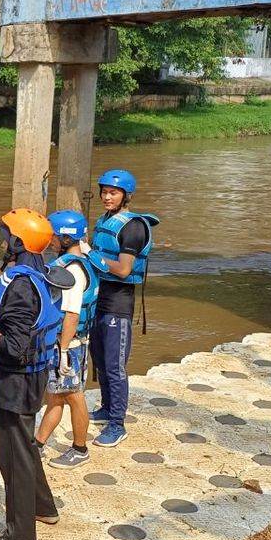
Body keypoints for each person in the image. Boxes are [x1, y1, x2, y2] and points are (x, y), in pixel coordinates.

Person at [0, 209, 71, 540]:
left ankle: (20, 535)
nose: (1, 241)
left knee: (14, 455)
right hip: (32, 375)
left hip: (18, 379)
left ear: (18, 243)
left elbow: (14, 347)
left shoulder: (22, 287)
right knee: (25, 446)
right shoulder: (34, 273)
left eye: (6, 236)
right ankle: (44, 508)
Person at [86, 170, 161, 449]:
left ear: (126, 196)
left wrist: (89, 254)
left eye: (113, 193)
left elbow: (124, 269)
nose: (107, 197)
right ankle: (106, 408)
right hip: (99, 299)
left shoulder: (132, 227)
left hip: (119, 302)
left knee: (115, 365)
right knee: (100, 358)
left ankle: (117, 424)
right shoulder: (105, 220)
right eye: (104, 192)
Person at [35, 209, 105, 469]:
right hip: (69, 343)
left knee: (74, 395)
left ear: (65, 239)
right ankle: (38, 443)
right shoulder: (83, 257)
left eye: (53, 237)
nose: (50, 241)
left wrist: (62, 350)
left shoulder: (72, 271)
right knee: (55, 396)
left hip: (69, 345)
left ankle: (80, 448)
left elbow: (72, 314)